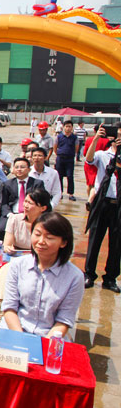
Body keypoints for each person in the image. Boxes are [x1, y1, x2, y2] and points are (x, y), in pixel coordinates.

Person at [0, 212, 84, 340]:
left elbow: (64, 320)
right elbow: (9, 308)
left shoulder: (75, 277)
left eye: (49, 238)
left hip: (49, 337)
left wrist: (43, 345)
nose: (41, 242)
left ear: (63, 242)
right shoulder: (17, 265)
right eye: (37, 234)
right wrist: (21, 340)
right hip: (14, 332)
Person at [84, 125, 121, 292]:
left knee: (116, 242)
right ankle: (89, 274)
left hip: (118, 203)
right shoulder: (102, 154)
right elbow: (89, 158)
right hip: (102, 201)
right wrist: (97, 138)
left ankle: (110, 278)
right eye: (118, 135)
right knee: (95, 239)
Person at [0, 157, 44, 241]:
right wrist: (9, 214)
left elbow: (40, 201)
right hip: (12, 213)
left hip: (30, 213)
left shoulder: (37, 183)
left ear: (29, 169)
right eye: (16, 167)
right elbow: (4, 203)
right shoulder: (7, 184)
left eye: (22, 167)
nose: (19, 169)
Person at [3, 188, 52, 255]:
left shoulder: (49, 224)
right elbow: (7, 244)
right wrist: (8, 248)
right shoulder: (14, 219)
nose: (26, 206)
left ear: (43, 208)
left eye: (30, 203)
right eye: (25, 201)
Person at [53, 120, 78, 201]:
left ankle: (71, 194)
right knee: (59, 176)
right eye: (66, 126)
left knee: (70, 176)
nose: (68, 128)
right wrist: (59, 153)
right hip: (60, 158)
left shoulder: (74, 137)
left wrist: (72, 154)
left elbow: (76, 148)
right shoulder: (59, 136)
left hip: (70, 159)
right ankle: (60, 193)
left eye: (69, 126)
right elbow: (55, 147)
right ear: (63, 127)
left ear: (72, 127)